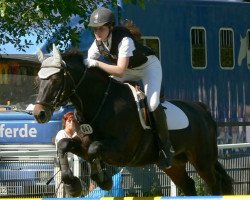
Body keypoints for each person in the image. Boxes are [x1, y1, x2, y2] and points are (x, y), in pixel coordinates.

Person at [84, 7, 173, 169]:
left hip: (148, 68)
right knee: (107, 89)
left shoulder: (125, 40)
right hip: (128, 70)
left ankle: (165, 147)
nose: (97, 32)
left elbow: (119, 70)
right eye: (95, 29)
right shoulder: (97, 43)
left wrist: (96, 63)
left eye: (101, 28)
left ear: (110, 27)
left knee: (152, 104)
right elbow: (89, 67)